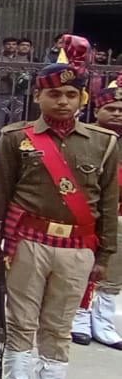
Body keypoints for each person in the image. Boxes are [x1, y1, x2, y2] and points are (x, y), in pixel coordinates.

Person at [0, 35, 115, 379]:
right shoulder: (15, 138)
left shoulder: (104, 143)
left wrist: (105, 255)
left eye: (71, 94)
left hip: (78, 247)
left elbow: (107, 204)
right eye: (54, 94)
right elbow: (0, 195)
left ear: (82, 100)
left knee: (59, 324)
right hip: (29, 241)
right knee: (21, 319)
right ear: (39, 98)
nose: (63, 102)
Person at [72, 77, 122, 349]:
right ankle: (79, 319)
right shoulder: (87, 138)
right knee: (83, 268)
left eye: (121, 110)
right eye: (110, 109)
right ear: (97, 111)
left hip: (119, 216)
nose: (116, 114)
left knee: (112, 271)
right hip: (88, 213)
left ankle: (103, 321)